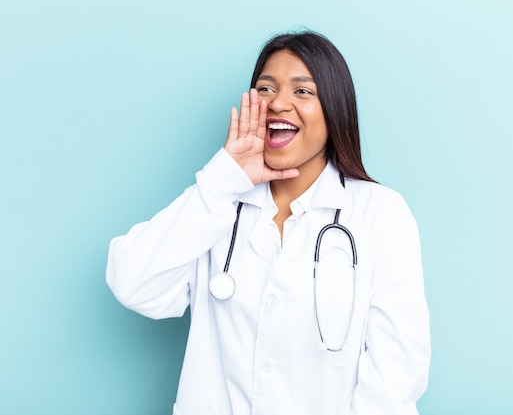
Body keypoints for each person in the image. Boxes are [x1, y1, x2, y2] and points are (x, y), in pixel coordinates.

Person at [106, 30, 430, 415]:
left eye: (302, 91)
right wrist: (223, 180)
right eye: (265, 89)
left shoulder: (380, 213)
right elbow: (133, 284)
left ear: (335, 109)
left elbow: (394, 379)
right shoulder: (218, 204)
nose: (278, 103)